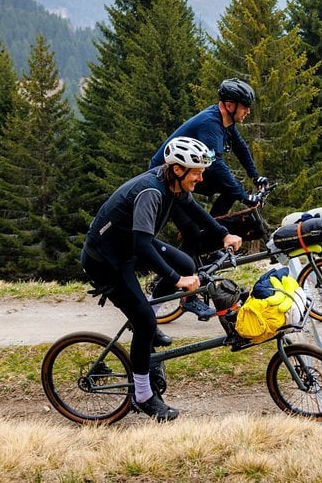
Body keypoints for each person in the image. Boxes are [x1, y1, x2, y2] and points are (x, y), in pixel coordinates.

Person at [81, 137, 242, 422]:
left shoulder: (174, 185)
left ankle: (150, 324)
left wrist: (223, 234)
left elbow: (195, 212)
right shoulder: (151, 192)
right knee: (143, 317)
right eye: (196, 171)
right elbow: (143, 245)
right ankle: (143, 395)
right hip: (105, 259)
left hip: (128, 245)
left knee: (186, 261)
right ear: (178, 170)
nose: (201, 177)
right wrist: (177, 279)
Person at [151, 78, 269, 224]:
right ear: (230, 106)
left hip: (184, 173)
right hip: (166, 178)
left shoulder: (225, 120)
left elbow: (240, 147)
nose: (248, 111)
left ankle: (212, 230)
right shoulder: (210, 123)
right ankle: (205, 233)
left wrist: (255, 176)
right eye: (245, 107)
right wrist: (243, 196)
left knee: (230, 188)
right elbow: (215, 163)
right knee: (191, 230)